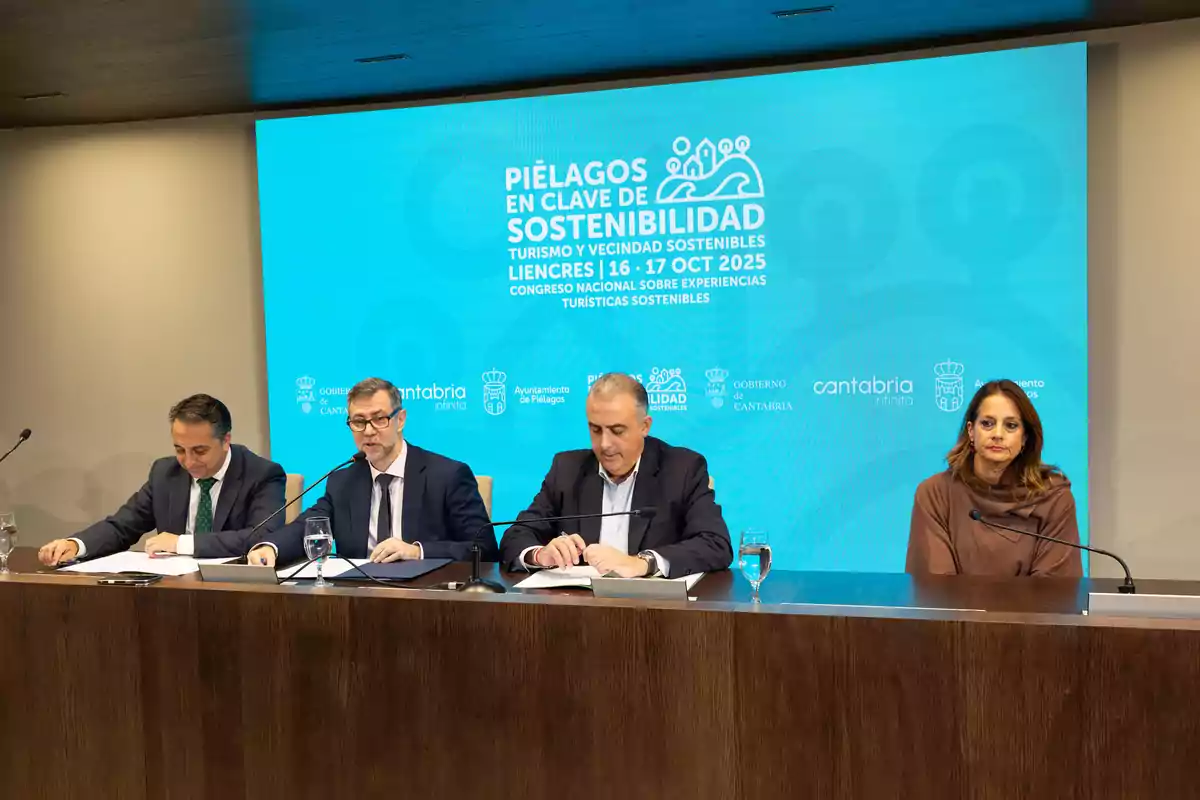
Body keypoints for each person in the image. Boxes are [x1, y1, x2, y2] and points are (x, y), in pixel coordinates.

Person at [499, 372, 731, 578]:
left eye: (617, 431)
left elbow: (715, 543)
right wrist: (541, 555)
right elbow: (515, 536)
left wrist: (642, 563)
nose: (605, 444)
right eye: (595, 430)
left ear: (644, 426)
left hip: (656, 615)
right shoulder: (567, 469)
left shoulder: (682, 469)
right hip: (577, 611)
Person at [246, 377, 494, 567]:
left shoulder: (447, 475)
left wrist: (417, 551)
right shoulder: (343, 480)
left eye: (379, 419)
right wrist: (271, 548)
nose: (368, 430)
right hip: (358, 600)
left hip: (427, 599)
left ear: (400, 420)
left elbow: (484, 548)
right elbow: (309, 526)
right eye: (359, 421)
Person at [38, 394, 287, 565]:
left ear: (226, 440)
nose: (188, 462)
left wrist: (181, 543)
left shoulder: (262, 474)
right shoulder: (165, 473)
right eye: (180, 449)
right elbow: (122, 525)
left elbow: (262, 536)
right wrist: (76, 545)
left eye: (199, 451)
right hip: (172, 592)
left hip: (235, 595)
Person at [906, 379, 1081, 577]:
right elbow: (935, 588)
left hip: (1032, 609)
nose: (998, 434)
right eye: (987, 424)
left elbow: (1054, 591)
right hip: (955, 608)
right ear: (971, 431)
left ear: (1024, 437)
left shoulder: (1054, 498)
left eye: (1011, 425)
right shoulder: (935, 494)